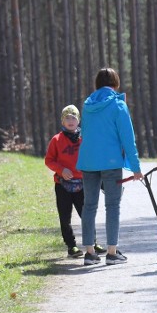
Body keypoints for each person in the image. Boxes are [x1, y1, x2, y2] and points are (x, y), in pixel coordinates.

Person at [76, 68, 143, 265]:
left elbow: (85, 134)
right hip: (111, 162)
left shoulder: (87, 105)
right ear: (116, 83)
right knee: (112, 205)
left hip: (88, 162)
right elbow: (128, 139)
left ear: (97, 84)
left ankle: (89, 252)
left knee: (89, 205)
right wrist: (136, 168)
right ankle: (112, 252)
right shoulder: (118, 105)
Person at [44, 105, 107, 259]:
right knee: (65, 217)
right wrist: (61, 170)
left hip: (83, 184)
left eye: (73, 117)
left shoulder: (85, 138)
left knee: (87, 215)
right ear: (62, 121)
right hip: (62, 185)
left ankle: (92, 243)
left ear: (79, 120)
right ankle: (71, 246)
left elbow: (94, 158)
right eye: (67, 118)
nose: (70, 121)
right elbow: (49, 160)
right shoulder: (56, 140)